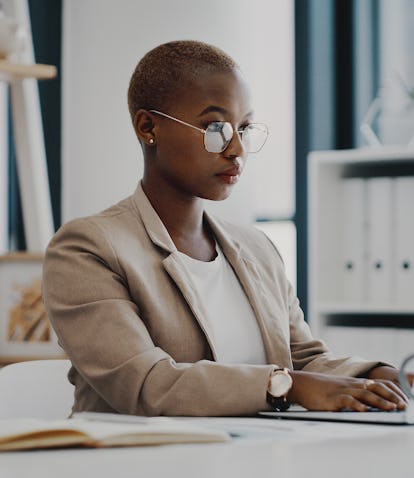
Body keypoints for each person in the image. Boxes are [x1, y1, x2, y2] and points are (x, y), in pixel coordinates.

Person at [43, 40, 410, 417]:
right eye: (215, 127)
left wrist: (386, 377)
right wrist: (286, 385)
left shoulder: (256, 247)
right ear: (148, 127)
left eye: (245, 127)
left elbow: (303, 358)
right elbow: (147, 385)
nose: (237, 149)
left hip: (260, 453)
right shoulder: (86, 249)